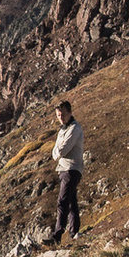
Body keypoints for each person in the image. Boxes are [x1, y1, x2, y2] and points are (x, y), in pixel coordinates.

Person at [44, 99, 84, 244]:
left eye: (63, 115)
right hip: (64, 168)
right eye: (58, 115)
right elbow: (55, 151)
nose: (61, 118)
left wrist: (57, 153)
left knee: (62, 201)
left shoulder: (74, 128)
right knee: (71, 202)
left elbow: (62, 149)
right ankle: (74, 233)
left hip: (71, 168)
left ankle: (56, 236)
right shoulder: (63, 130)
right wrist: (57, 153)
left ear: (70, 113)